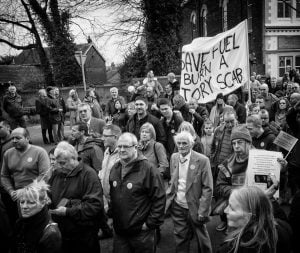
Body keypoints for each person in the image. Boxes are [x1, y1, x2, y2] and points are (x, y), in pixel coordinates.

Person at [109, 133, 166, 253]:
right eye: (119, 146)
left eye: (126, 146)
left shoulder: (149, 169)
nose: (122, 150)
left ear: (135, 147)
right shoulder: (115, 168)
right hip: (120, 232)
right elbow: (114, 197)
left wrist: (150, 224)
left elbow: (159, 199)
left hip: (141, 233)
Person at [49, 141, 104, 253]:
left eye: (63, 163)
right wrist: (45, 198)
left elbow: (94, 206)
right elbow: (50, 192)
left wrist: (68, 211)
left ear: (74, 159)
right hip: (62, 232)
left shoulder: (88, 175)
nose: (59, 166)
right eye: (57, 162)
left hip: (83, 235)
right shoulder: (58, 172)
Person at [166, 131, 213, 253]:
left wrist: (203, 211)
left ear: (191, 144)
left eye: (184, 143)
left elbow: (208, 187)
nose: (181, 146)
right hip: (178, 205)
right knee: (180, 237)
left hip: (195, 206)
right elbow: (173, 181)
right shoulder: (174, 157)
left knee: (201, 238)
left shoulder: (203, 160)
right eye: (179, 143)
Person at [217, 186, 280, 253]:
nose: (225, 210)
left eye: (232, 208)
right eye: (228, 205)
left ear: (249, 217)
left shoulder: (230, 249)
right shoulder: (277, 231)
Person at [214, 125, 252, 233]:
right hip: (235, 207)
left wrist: (279, 170)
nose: (236, 146)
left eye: (240, 142)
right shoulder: (226, 164)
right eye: (234, 143)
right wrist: (237, 192)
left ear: (249, 143)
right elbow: (220, 186)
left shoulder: (260, 160)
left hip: (254, 207)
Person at [1, 127, 50, 203]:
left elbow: (45, 175)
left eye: (18, 138)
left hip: (37, 195)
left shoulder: (40, 152)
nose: (14, 141)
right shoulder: (8, 153)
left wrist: (25, 191)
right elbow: (4, 175)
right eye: (12, 138)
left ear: (27, 138)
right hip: (17, 195)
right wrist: (10, 191)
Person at [14, 180, 62, 253]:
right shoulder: (21, 222)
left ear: (42, 203)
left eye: (31, 203)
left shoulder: (51, 234)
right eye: (22, 202)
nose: (24, 207)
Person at [211, 108, 238, 184]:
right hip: (217, 167)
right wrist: (212, 159)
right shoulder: (218, 130)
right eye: (227, 122)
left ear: (236, 118)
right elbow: (213, 147)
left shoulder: (241, 132)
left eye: (232, 121)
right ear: (223, 120)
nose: (229, 124)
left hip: (231, 170)